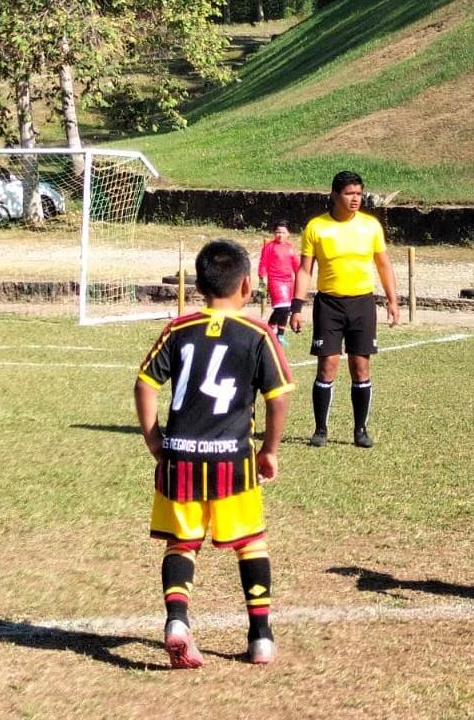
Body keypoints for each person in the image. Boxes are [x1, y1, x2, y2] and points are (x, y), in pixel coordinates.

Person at [134, 239, 294, 668]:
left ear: (201, 285)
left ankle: (177, 622)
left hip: (180, 457)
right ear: (247, 284)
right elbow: (278, 396)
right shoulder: (258, 333)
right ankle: (260, 637)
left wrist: (155, 441)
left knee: (181, 544)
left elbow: (145, 383)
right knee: (252, 543)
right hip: (231, 459)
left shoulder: (177, 329)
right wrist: (270, 449)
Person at [290, 171, 400, 449]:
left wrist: (393, 300)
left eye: (359, 194)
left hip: (362, 303)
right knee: (327, 366)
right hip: (329, 304)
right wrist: (296, 306)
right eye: (350, 193)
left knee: (360, 367)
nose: (355, 199)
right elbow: (305, 270)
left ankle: (360, 429)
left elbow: (383, 264)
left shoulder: (371, 226)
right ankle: (320, 429)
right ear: (335, 195)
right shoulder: (316, 227)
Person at [257, 221, 301, 342]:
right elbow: (263, 263)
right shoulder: (269, 247)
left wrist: (301, 277)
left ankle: (280, 335)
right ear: (274, 233)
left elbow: (296, 266)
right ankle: (269, 331)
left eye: (283, 232)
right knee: (281, 308)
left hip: (288, 282)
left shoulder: (290, 248)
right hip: (275, 281)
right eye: (277, 232)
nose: (280, 235)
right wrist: (262, 277)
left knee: (286, 309)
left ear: (288, 234)